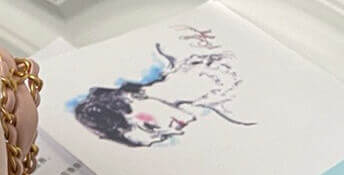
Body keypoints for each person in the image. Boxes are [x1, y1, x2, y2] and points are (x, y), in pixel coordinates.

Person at [72, 33, 255, 147]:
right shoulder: (234, 113)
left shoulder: (172, 47)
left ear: (131, 97)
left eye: (151, 127)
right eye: (163, 138)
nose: (176, 132)